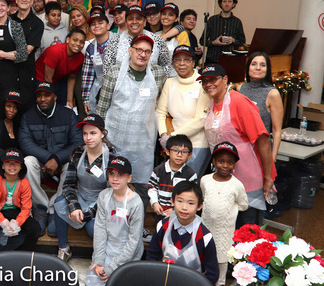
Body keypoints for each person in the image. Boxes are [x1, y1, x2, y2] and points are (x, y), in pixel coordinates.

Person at [97, 34, 167, 212]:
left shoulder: (158, 73)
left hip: (143, 144)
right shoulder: (114, 72)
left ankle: (138, 224)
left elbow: (161, 105)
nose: (142, 54)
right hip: (116, 142)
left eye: (147, 51)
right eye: (139, 50)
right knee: (114, 184)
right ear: (130, 50)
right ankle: (113, 223)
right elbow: (102, 107)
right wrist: (100, 136)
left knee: (142, 188)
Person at [198, 64, 273, 226]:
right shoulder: (211, 106)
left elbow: (263, 140)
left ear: (225, 79)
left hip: (247, 175)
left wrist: (268, 177)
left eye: (213, 79)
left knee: (247, 230)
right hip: (223, 177)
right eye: (204, 81)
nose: (208, 84)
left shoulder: (239, 102)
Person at [19, 82, 83, 232]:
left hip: (62, 164)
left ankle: (56, 208)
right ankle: (40, 207)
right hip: (41, 164)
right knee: (27, 162)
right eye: (39, 95)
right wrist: (49, 158)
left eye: (47, 95)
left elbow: (77, 143)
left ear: (54, 97)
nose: (43, 99)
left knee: (72, 164)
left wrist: (58, 159)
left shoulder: (68, 115)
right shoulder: (28, 116)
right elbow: (25, 143)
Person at [53, 114, 117, 262]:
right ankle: (63, 248)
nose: (88, 138)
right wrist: (75, 207)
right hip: (80, 196)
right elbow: (68, 184)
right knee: (57, 207)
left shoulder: (111, 156)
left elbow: (111, 192)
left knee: (91, 230)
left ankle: (100, 255)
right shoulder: (77, 152)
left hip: (100, 202)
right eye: (85, 133)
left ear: (103, 133)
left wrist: (87, 214)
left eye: (93, 133)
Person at [146, 181, 219, 285]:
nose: (184, 207)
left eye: (190, 203)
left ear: (199, 206)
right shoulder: (163, 226)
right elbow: (151, 256)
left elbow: (212, 273)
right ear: (172, 201)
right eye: (180, 201)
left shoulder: (204, 236)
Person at [85, 157, 144, 286]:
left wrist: (112, 268)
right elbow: (100, 228)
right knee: (92, 283)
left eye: (120, 175)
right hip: (106, 249)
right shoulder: (104, 196)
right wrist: (99, 260)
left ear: (129, 178)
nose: (115, 178)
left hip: (127, 255)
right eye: (111, 174)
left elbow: (134, 241)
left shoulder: (136, 203)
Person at [156, 45, 211, 176]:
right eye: (177, 60)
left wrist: (172, 138)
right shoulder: (169, 83)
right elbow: (160, 112)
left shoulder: (202, 83)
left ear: (193, 62)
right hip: (173, 145)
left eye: (186, 60)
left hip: (197, 144)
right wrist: (164, 135)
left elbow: (201, 119)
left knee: (189, 186)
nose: (181, 64)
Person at [200, 142, 248, 286]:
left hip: (224, 234)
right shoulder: (205, 180)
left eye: (230, 162)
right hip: (206, 230)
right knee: (204, 259)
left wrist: (229, 211)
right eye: (221, 161)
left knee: (221, 263)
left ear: (234, 165)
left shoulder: (237, 185)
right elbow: (202, 198)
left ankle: (220, 283)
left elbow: (243, 204)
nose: (225, 166)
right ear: (214, 161)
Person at [0, 148, 41, 256]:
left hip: (17, 211)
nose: (12, 166)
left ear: (21, 166)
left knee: (35, 228)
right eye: (8, 163)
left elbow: (26, 208)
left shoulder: (24, 183)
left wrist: (17, 223)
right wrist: (3, 222)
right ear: (2, 166)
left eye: (16, 163)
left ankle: (24, 256)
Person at [101, 5, 174, 80]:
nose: (134, 22)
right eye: (130, 19)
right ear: (126, 22)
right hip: (121, 89)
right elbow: (107, 68)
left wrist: (159, 84)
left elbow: (166, 65)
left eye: (138, 19)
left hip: (150, 89)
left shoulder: (157, 40)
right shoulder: (115, 41)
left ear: (144, 22)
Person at [238, 52, 284, 161]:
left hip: (261, 151)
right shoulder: (240, 89)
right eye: (254, 64)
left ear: (267, 69)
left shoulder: (272, 93)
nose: (258, 68)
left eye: (262, 65)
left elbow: (277, 130)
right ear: (248, 67)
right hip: (240, 148)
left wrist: (272, 159)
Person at [148, 134, 198, 225]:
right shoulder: (159, 170)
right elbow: (152, 188)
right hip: (160, 212)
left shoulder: (190, 174)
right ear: (167, 152)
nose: (179, 155)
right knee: (160, 234)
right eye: (175, 151)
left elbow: (190, 195)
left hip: (180, 214)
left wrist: (175, 210)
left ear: (189, 155)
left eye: (184, 152)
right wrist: (154, 203)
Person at [10, 0, 44, 107]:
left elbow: (26, 51)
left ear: (32, 1)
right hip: (8, 72)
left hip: (26, 74)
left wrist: (2, 54)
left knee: (24, 108)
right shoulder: (8, 20)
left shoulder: (37, 23)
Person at [35, 29, 85, 107]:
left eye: (82, 42)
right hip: (41, 78)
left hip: (59, 78)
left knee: (63, 105)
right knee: (47, 104)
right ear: (68, 40)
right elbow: (48, 79)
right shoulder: (55, 51)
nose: (78, 44)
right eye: (75, 40)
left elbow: (72, 78)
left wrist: (69, 100)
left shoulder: (81, 57)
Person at [200, 0, 246, 64]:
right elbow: (202, 41)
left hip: (230, 60)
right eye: (224, 1)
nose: (227, 4)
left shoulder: (237, 22)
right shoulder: (212, 20)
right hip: (212, 59)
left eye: (229, 1)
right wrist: (213, 43)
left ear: (233, 4)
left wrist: (233, 40)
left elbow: (242, 42)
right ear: (220, 4)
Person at [81, 12, 115, 114]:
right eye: (93, 24)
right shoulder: (90, 47)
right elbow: (88, 75)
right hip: (99, 86)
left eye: (100, 23)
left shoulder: (118, 41)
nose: (96, 26)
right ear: (90, 28)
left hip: (119, 87)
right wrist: (86, 98)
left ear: (108, 26)